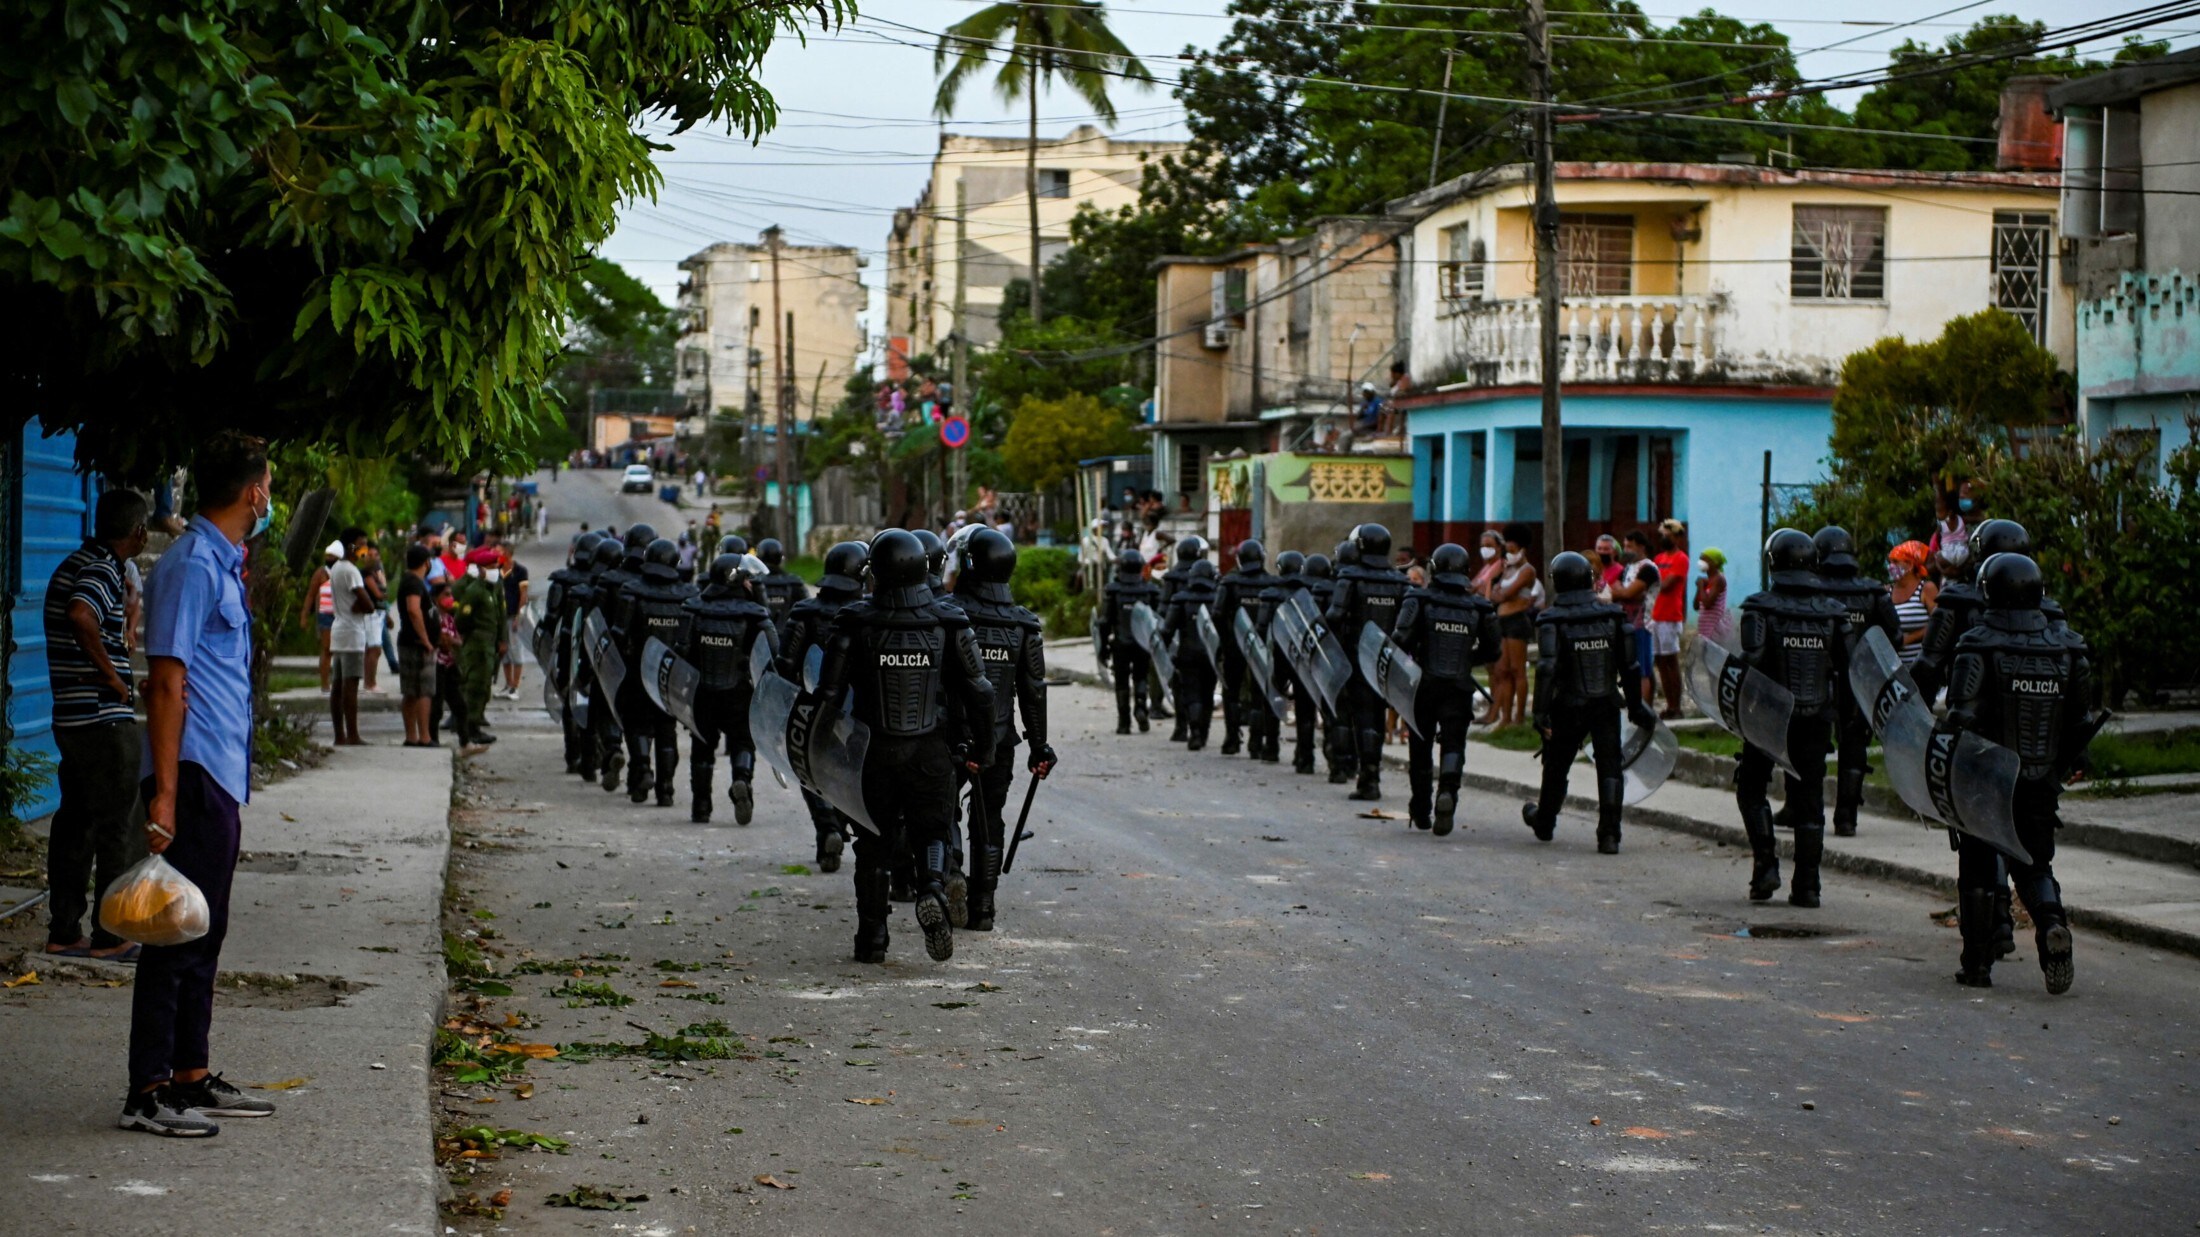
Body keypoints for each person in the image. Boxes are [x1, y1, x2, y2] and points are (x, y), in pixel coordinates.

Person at [127, 430, 280, 1137]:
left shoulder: (222, 564)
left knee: (203, 926)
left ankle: (190, 1073)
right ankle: (148, 1089)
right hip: (187, 770)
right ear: (254, 491)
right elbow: (165, 681)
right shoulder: (190, 565)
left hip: (216, 771)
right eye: (269, 483)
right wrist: (161, 791)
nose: (269, 495)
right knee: (172, 931)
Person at [810, 529, 996, 964]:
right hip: (930, 750)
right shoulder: (950, 621)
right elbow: (981, 692)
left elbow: (828, 696)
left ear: (876, 572)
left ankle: (872, 939)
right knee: (932, 829)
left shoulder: (854, 622)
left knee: (872, 843)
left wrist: (820, 754)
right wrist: (983, 750)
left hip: (872, 752)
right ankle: (931, 887)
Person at [1943, 552, 2098, 994]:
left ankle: (1976, 965)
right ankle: (2051, 926)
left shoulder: (1978, 643)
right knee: (2035, 864)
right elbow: (2079, 721)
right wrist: (2064, 763)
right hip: (2039, 779)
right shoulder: (2069, 648)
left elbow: (1961, 716)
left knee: (1976, 866)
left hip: (1985, 778)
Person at [43, 487, 150, 963]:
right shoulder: (103, 568)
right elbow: (81, 614)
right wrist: (114, 678)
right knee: (118, 826)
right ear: (140, 532)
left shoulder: (73, 563)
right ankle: (111, 935)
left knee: (76, 823)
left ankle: (64, 930)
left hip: (72, 718)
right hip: (103, 719)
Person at [1733, 530, 1849, 908]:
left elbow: (1750, 661)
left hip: (1768, 715)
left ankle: (1766, 865)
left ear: (1773, 562)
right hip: (1816, 718)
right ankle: (1809, 886)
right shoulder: (1834, 614)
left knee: (1751, 787)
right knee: (1809, 796)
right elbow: (1850, 669)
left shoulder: (1760, 608)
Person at [950, 528, 1055, 932]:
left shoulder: (949, 614)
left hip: (950, 736)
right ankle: (983, 909)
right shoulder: (1023, 625)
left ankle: (952, 871)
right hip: (998, 739)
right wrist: (1040, 745)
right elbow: (1033, 691)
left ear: (970, 563)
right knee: (988, 817)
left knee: (941, 810)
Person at [1522, 551, 1654, 853]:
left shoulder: (1551, 619)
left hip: (1567, 706)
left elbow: (1547, 668)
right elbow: (1630, 667)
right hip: (1606, 703)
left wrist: (1540, 712)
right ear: (1590, 579)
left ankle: (1545, 821)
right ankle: (1609, 834)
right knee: (1610, 767)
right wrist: (1636, 706)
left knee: (1556, 765)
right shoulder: (1613, 615)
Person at [1393, 543, 1499, 836]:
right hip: (1459, 686)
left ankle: (1421, 807)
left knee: (1420, 746)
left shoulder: (1418, 600)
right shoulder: (1480, 607)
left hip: (1423, 686)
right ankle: (1448, 793)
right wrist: (1466, 660)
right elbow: (1494, 651)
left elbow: (1399, 639)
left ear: (1434, 569)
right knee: (1454, 744)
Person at [779, 540, 869, 873]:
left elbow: (785, 664)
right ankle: (843, 823)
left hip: (812, 710)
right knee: (851, 775)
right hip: (859, 715)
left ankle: (827, 829)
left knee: (811, 773)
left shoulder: (805, 612)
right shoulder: (868, 616)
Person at [1809, 526, 1901, 838]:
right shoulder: (1873, 592)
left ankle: (1804, 810)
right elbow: (1896, 635)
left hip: (1818, 680)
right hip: (1861, 681)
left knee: (1810, 745)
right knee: (1855, 746)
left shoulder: (1814, 591)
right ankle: (1846, 818)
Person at [684, 552, 773, 826]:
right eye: (746, 578)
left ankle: (701, 807)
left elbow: (681, 652)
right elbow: (772, 653)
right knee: (742, 742)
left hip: (703, 693)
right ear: (735, 580)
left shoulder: (695, 609)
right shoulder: (754, 615)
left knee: (702, 748)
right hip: (739, 692)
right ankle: (741, 779)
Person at [1326, 523, 1409, 801]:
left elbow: (1335, 616)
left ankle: (1367, 780)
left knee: (1358, 717)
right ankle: (1372, 773)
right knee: (1377, 717)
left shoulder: (1349, 577)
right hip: (1387, 660)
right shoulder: (1400, 581)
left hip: (1355, 658)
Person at [623, 539, 697, 806]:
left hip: (636, 673)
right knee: (666, 731)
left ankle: (642, 769)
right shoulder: (687, 597)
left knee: (637, 726)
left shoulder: (632, 592)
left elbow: (620, 635)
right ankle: (665, 789)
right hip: (671, 676)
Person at [544, 531, 604, 775]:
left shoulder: (563, 582)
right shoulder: (600, 583)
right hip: (590, 650)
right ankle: (590, 756)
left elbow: (550, 619)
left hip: (568, 649)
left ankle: (574, 756)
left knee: (571, 699)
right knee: (594, 701)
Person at [1256, 552, 1317, 771]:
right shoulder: (1310, 591)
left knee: (1273, 698)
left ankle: (1271, 747)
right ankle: (1306, 756)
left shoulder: (1271, 593)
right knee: (1306, 705)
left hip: (1279, 655)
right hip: (1304, 656)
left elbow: (1262, 627)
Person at [1214, 540, 1271, 756]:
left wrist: (1226, 638)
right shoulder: (1271, 583)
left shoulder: (1229, 583)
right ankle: (1256, 743)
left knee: (1231, 693)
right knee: (1259, 694)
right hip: (1262, 647)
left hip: (1234, 646)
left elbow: (1217, 614)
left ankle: (1232, 739)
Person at [1162, 558, 1222, 751]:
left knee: (1192, 693)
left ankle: (1194, 731)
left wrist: (1162, 651)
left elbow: (1167, 630)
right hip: (1212, 655)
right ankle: (1203, 733)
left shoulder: (1181, 598)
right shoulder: (1218, 599)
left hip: (1187, 655)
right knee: (1207, 693)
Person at [1098, 548, 1159, 734]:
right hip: (1143, 644)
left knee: (1122, 681)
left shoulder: (1114, 590)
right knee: (1141, 677)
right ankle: (1141, 707)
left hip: (1120, 643)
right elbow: (1157, 619)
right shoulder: (1150, 590)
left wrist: (1102, 647)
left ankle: (1123, 722)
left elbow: (1105, 621)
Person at [452, 548, 506, 747]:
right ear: (482, 569)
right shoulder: (475, 591)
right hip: (477, 646)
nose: (496, 570)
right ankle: (470, 728)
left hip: (488, 645)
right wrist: (472, 636)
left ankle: (474, 725)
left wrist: (501, 640)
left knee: (483, 686)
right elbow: (461, 619)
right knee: (474, 686)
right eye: (492, 567)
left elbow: (499, 617)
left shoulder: (490, 589)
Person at [1157, 536, 1207, 743]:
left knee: (1180, 684)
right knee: (1203, 687)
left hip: (1179, 637)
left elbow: (1162, 609)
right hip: (1202, 639)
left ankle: (1181, 727)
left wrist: (1164, 638)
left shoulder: (1171, 578)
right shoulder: (1206, 576)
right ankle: (1200, 729)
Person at [326, 530, 373, 746]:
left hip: (338, 629)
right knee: (350, 685)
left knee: (337, 686)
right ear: (350, 546)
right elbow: (367, 604)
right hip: (352, 632)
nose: (365, 549)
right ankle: (353, 733)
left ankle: (339, 735)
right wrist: (365, 604)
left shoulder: (336, 568)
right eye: (361, 544)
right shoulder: (352, 571)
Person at [1487, 525, 1537, 727]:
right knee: (1502, 670)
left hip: (1517, 621)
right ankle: (1505, 717)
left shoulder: (1527, 571)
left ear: (1522, 549)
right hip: (1502, 622)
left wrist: (1500, 595)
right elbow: (1494, 595)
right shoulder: (1507, 569)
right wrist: (1498, 594)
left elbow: (1506, 595)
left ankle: (1519, 718)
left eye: (1513, 549)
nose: (1510, 553)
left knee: (1518, 670)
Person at [1610, 529, 1662, 708]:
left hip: (1643, 624)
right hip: (1627, 623)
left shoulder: (1648, 569)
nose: (1626, 549)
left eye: (1629, 546)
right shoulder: (1627, 569)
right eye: (1624, 546)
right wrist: (1622, 593)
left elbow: (1631, 593)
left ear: (1641, 547)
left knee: (1642, 670)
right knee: (1630, 667)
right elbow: (1615, 589)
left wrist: (1622, 593)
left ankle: (1643, 708)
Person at [397, 544, 439, 747]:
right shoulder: (414, 583)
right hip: (416, 645)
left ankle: (412, 736)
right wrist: (426, 641)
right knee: (424, 691)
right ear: (426, 563)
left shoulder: (411, 581)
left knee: (411, 691)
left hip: (410, 642)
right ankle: (424, 736)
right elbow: (414, 610)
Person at [1651, 519, 1690, 719]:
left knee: (1671, 660)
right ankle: (1669, 704)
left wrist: (1652, 583)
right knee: (1659, 660)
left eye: (1666, 534)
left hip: (1670, 615)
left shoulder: (1681, 559)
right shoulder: (1658, 558)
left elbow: (1665, 585)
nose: (1663, 538)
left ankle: (1677, 706)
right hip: (1655, 614)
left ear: (1676, 536)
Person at [1888, 541, 1937, 669]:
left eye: (1896, 562)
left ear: (1909, 565)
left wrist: (1910, 638)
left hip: (1922, 669)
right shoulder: (1887, 592)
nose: (1891, 566)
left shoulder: (1926, 589)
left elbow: (1938, 625)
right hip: (1895, 671)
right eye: (1890, 562)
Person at [300, 540, 338, 692]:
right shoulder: (320, 573)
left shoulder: (343, 571)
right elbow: (310, 595)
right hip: (325, 615)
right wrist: (304, 615)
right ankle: (325, 683)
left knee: (339, 651)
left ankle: (337, 681)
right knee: (327, 648)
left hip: (341, 616)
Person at [755, 538, 810, 627]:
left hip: (760, 637)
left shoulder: (752, 583)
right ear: (781, 558)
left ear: (758, 559)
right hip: (790, 637)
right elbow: (808, 611)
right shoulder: (795, 582)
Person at [498, 545, 530, 700]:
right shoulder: (497, 571)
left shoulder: (520, 571)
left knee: (516, 651)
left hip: (512, 615)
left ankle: (515, 686)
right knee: (504, 652)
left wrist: (519, 616)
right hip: (500, 617)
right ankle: (508, 683)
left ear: (508, 554)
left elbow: (523, 595)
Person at [359, 537, 389, 693]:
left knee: (372, 648)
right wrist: (383, 588)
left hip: (380, 613)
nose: (373, 558)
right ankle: (370, 682)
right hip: (371, 613)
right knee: (374, 648)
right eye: (369, 555)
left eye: (376, 555)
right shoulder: (367, 574)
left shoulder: (377, 573)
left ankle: (369, 682)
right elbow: (379, 594)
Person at [1693, 547, 1731, 645]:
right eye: (1700, 559)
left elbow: (1708, 604)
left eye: (1705, 559)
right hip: (1704, 628)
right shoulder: (1706, 581)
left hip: (1715, 629)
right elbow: (1696, 606)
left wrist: (1701, 586)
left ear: (1715, 563)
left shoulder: (1719, 579)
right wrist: (1699, 588)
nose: (1701, 562)